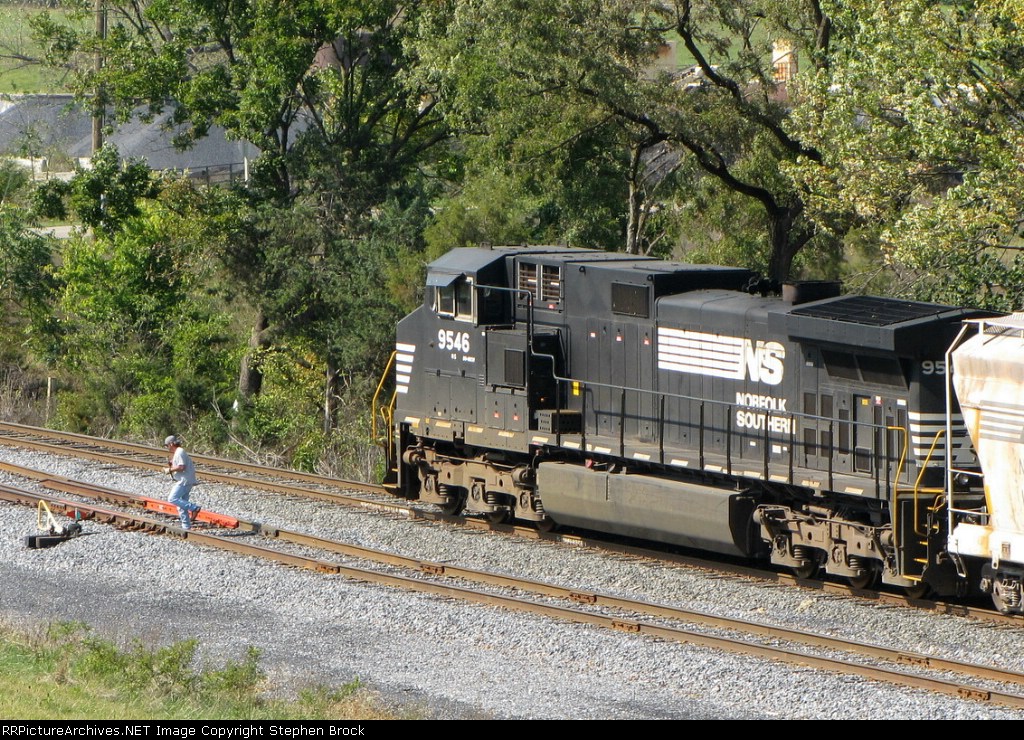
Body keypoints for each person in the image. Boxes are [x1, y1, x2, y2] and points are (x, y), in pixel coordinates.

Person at [163, 434, 200, 530]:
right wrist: (172, 464)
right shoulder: (179, 452)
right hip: (186, 480)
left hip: (184, 481)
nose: (167, 448)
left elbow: (181, 467)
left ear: (171, 444)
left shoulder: (179, 452)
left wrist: (169, 470)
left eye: (167, 445)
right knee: (181, 505)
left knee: (172, 498)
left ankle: (194, 508)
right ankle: (186, 526)